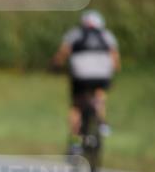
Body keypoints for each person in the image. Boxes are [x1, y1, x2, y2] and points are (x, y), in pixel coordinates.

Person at [51, 10, 120, 153]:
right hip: (102, 75)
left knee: (76, 106)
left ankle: (75, 142)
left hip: (81, 76)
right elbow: (115, 59)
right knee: (99, 94)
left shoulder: (75, 33)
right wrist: (112, 72)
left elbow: (63, 52)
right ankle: (101, 122)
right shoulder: (107, 35)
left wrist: (55, 65)